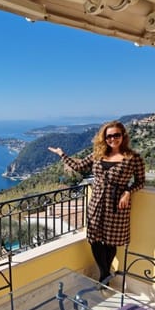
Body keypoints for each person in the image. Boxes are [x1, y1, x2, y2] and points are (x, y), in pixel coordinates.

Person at [48, 121, 145, 283]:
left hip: (116, 204)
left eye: (116, 135)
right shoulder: (97, 155)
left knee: (110, 240)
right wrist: (61, 154)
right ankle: (105, 274)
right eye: (109, 136)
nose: (112, 139)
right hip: (97, 202)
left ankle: (104, 277)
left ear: (123, 136)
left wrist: (128, 192)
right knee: (94, 238)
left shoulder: (133, 158)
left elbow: (140, 181)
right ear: (104, 138)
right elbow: (78, 167)